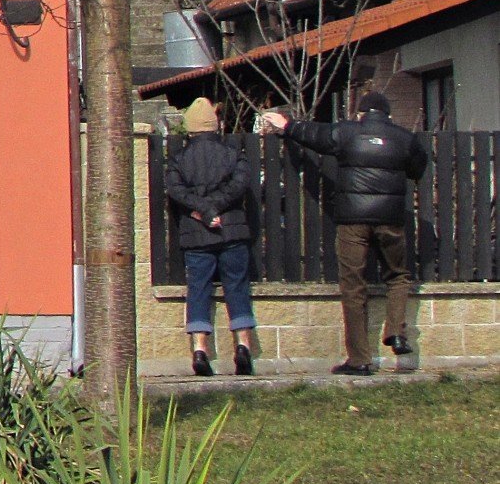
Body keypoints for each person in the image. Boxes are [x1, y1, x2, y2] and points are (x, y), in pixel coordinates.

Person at [262, 93, 429, 375]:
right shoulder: (405, 138)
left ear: (360, 114)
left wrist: (288, 126)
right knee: (398, 276)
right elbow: (418, 168)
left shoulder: (347, 132)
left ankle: (360, 360)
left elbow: (316, 134)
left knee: (353, 286)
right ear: (387, 115)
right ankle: (397, 333)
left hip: (353, 219)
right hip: (391, 218)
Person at [165, 97, 258, 376]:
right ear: (215, 126)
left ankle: (200, 350)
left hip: (197, 236)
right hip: (232, 231)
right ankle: (243, 347)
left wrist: (203, 210)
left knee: (199, 290)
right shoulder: (233, 154)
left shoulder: (179, 160)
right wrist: (216, 208)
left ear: (190, 128)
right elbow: (240, 184)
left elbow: (175, 189)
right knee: (237, 287)